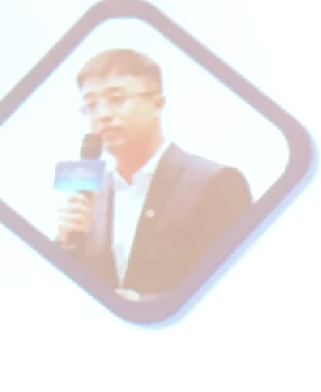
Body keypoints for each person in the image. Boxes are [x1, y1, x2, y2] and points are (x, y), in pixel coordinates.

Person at [52, 45, 254, 301]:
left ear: (157, 104)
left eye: (117, 99)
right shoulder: (93, 197)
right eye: (91, 105)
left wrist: (144, 307)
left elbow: (240, 284)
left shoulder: (215, 183)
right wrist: (66, 245)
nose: (102, 115)